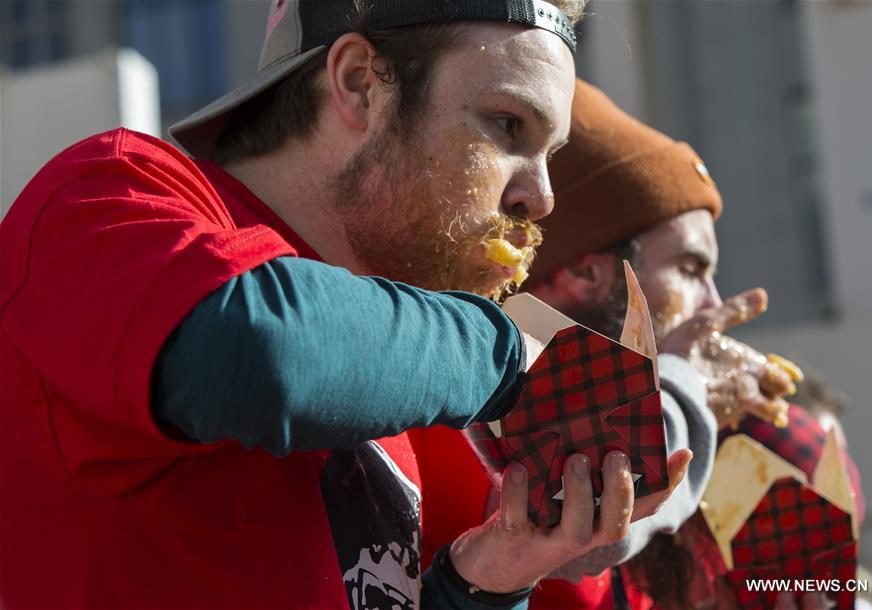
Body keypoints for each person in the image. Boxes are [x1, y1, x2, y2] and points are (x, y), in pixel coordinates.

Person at [0, 3, 724, 609]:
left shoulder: (395, 356)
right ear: (358, 84)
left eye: (549, 154)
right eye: (509, 126)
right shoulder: (116, 188)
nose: (541, 197)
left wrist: (486, 579)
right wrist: (513, 354)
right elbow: (258, 350)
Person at [413, 79, 801, 609]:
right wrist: (689, 384)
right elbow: (591, 512)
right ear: (585, 271)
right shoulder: (469, 389)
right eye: (690, 269)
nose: (711, 302)